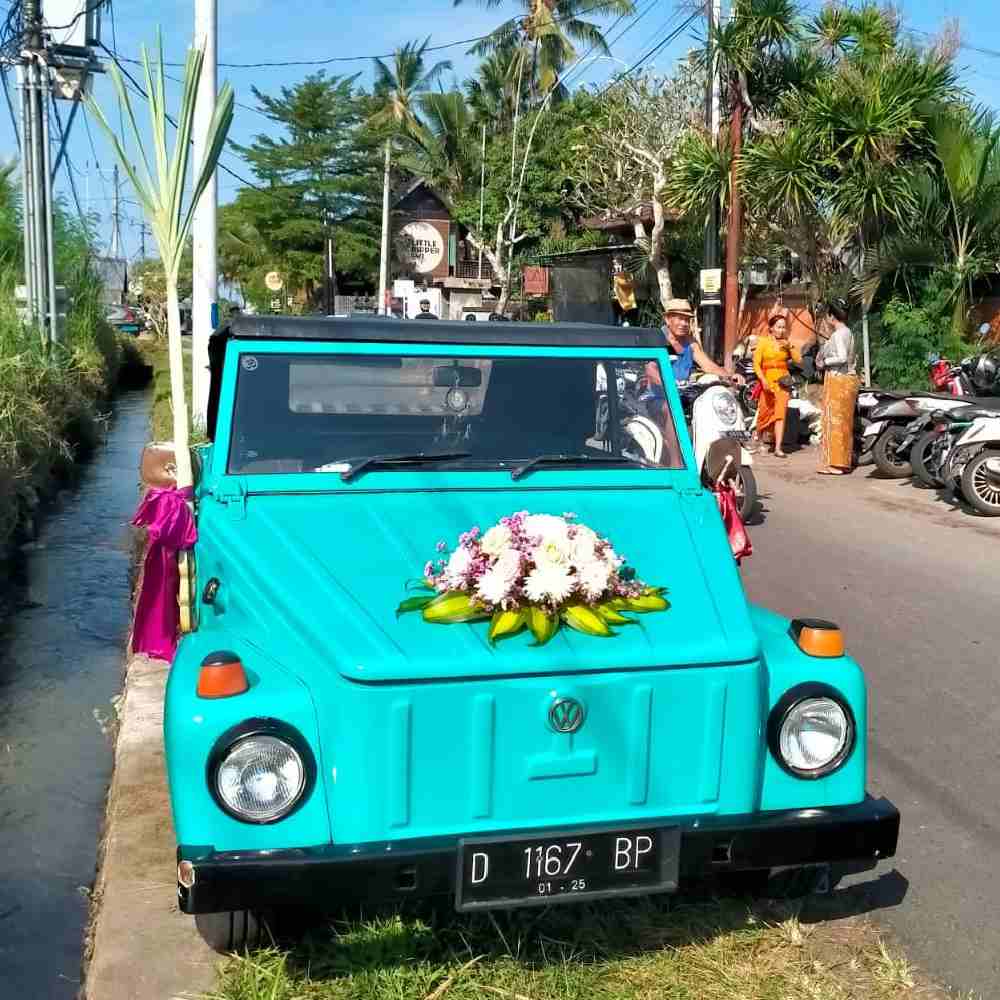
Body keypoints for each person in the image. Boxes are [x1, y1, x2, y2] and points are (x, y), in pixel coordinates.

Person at [816, 299, 859, 475]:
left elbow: (841, 357)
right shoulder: (849, 332)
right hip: (848, 380)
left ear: (831, 316)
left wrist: (825, 361)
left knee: (834, 422)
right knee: (844, 423)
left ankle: (835, 464)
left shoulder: (838, 334)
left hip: (838, 380)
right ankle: (843, 461)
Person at [660, 299, 740, 383]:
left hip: (685, 391)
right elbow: (652, 371)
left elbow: (708, 366)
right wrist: (670, 387)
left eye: (687, 320)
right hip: (662, 393)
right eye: (680, 319)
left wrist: (729, 377)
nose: (684, 323)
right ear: (667, 319)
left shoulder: (690, 341)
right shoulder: (658, 339)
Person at [753, 312, 794, 458]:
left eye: (784, 327)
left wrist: (791, 346)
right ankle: (758, 440)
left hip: (783, 382)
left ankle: (778, 448)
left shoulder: (786, 343)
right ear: (771, 328)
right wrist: (763, 380)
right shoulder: (763, 342)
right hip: (767, 382)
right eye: (779, 327)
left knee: (780, 415)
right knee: (765, 412)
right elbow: (756, 364)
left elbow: (798, 360)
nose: (782, 330)